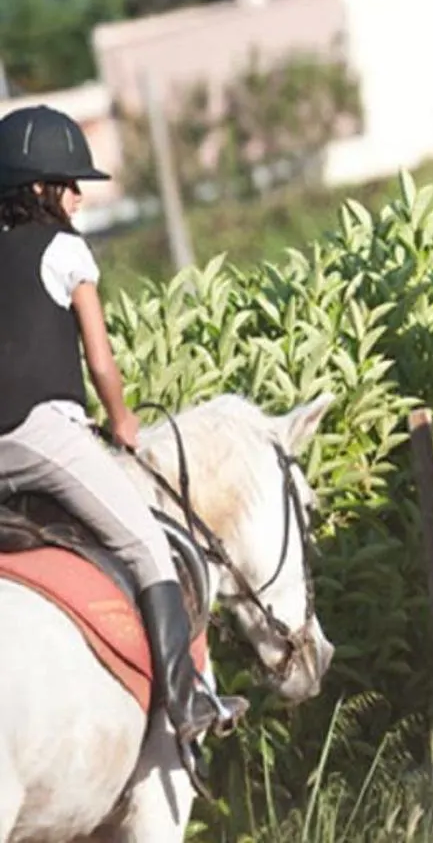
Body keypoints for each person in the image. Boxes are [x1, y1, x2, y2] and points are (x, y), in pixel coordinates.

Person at [0, 104, 247, 754]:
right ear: (38, 188)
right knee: (147, 545)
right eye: (69, 184)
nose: (79, 197)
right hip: (42, 436)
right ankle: (188, 700)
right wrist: (121, 419)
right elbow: (101, 361)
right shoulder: (65, 249)